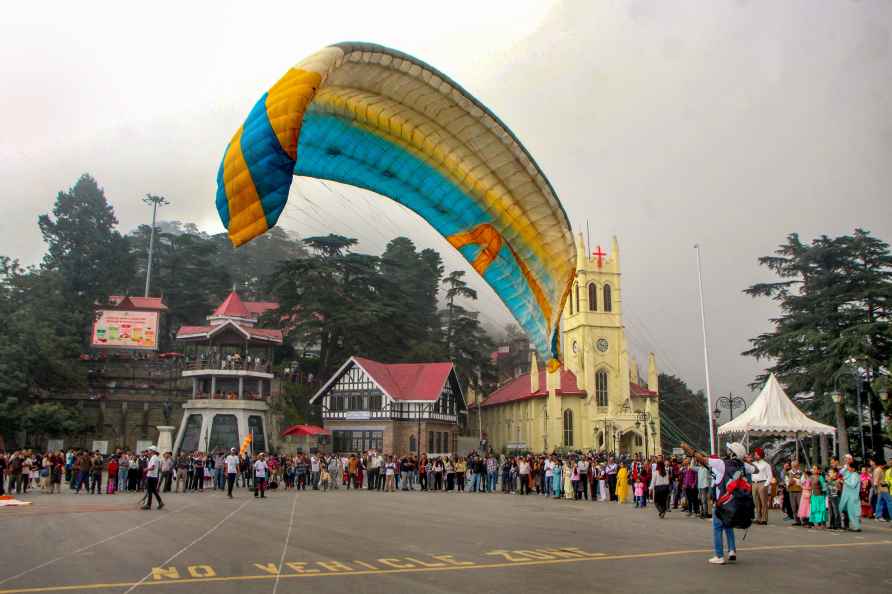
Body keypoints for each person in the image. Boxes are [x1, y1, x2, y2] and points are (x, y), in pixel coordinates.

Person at [682, 441, 755, 565]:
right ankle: (732, 550)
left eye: (730, 451)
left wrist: (689, 449)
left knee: (717, 528)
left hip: (723, 502)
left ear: (732, 454)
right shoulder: (743, 466)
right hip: (735, 503)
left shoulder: (722, 463)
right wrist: (745, 461)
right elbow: (756, 469)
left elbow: (702, 459)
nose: (727, 452)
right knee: (728, 525)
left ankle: (719, 555)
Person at [751, 447, 773, 525]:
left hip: (762, 483)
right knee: (756, 502)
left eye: (756, 454)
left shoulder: (766, 465)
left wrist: (765, 485)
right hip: (754, 483)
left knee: (763, 502)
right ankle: (758, 518)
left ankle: (764, 519)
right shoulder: (753, 464)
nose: (754, 456)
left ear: (760, 455)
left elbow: (770, 476)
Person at [839, 459, 861, 532]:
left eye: (849, 467)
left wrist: (844, 481)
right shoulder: (849, 473)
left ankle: (856, 527)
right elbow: (840, 472)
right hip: (848, 496)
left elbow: (853, 485)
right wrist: (846, 465)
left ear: (853, 468)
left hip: (853, 497)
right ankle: (855, 526)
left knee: (853, 512)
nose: (847, 468)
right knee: (850, 512)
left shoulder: (855, 475)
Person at [142, 446, 164, 510]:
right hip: (153, 476)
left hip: (151, 476)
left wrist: (146, 469)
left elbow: (153, 467)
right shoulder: (155, 457)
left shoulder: (154, 458)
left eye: (150, 450)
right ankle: (160, 502)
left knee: (150, 491)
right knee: (154, 491)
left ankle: (148, 505)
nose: (148, 451)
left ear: (153, 451)